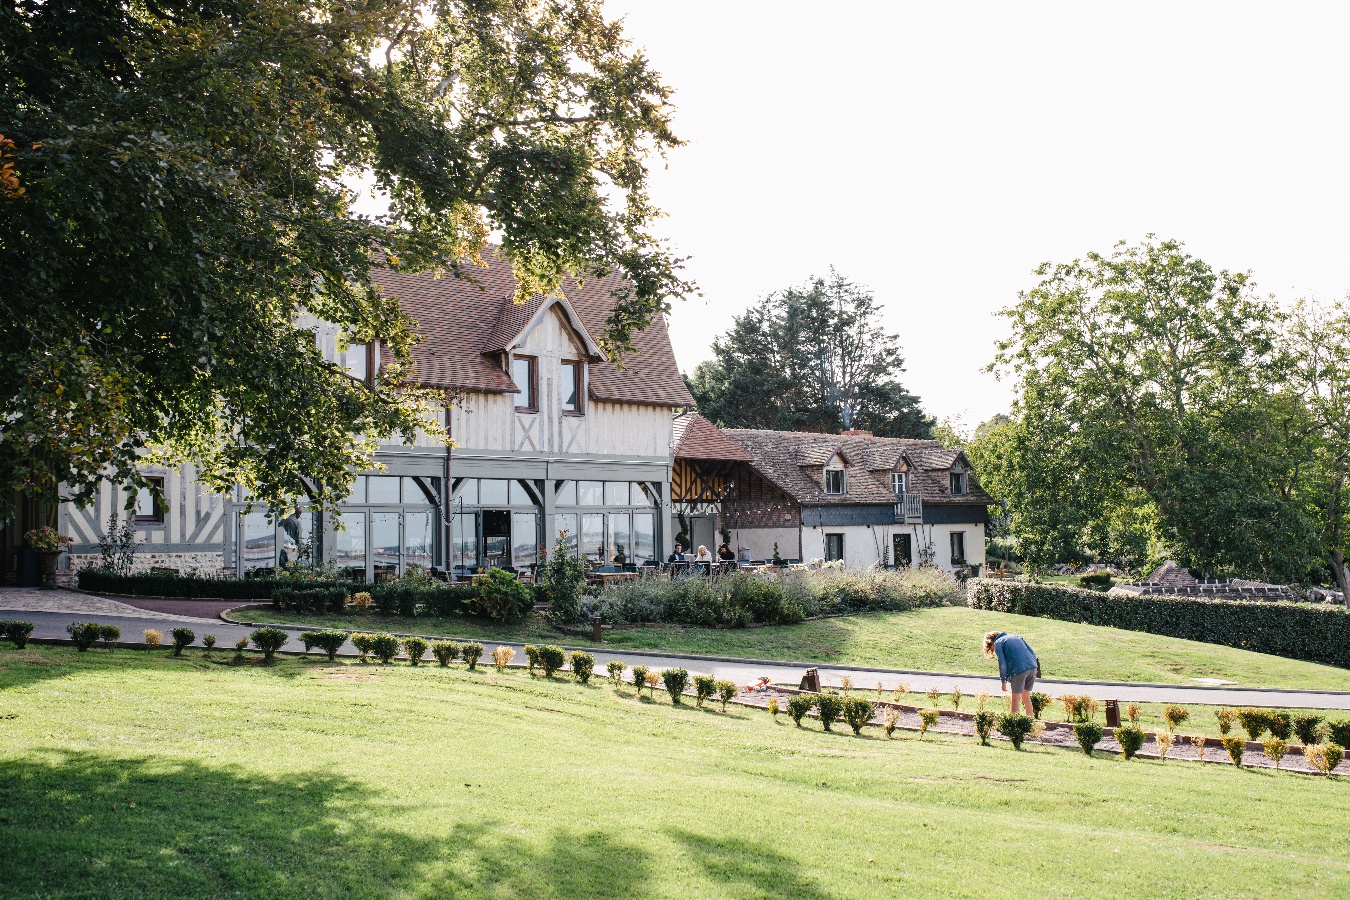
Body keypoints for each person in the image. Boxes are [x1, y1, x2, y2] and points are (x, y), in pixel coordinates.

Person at [984, 630, 1040, 716]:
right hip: (1032, 668)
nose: (994, 651)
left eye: (992, 649)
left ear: (991, 642)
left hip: (1019, 670)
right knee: (1026, 697)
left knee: (1015, 699)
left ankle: (1014, 722)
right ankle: (1030, 721)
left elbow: (1002, 663)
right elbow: (1032, 652)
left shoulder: (998, 642)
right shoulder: (1016, 637)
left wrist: (1003, 681)